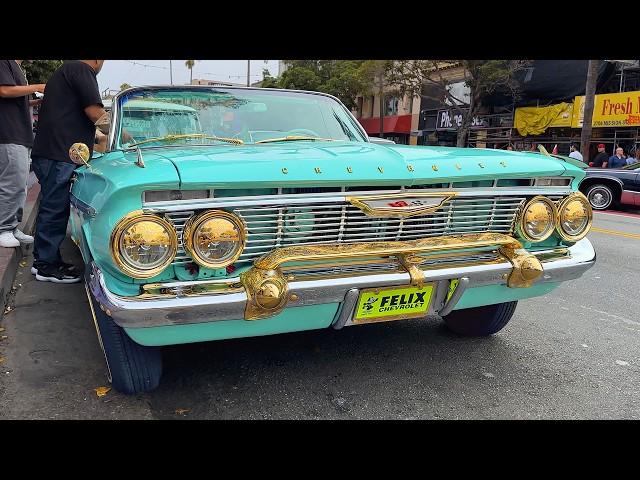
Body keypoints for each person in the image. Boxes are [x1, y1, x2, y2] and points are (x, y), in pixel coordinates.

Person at [31, 60, 109, 283]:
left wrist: (98, 136)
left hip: (53, 152)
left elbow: (73, 119)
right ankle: (46, 265)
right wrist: (122, 132)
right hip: (58, 154)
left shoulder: (67, 71)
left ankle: (43, 261)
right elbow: (96, 113)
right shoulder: (81, 69)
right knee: (55, 209)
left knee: (52, 207)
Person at [0, 60, 46, 248]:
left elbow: (17, 99)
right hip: (9, 132)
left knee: (20, 184)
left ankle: (11, 227)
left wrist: (36, 101)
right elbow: (4, 90)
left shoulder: (17, 67)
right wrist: (38, 86)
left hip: (20, 133)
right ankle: (3, 228)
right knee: (12, 182)